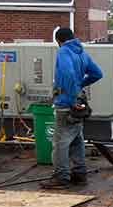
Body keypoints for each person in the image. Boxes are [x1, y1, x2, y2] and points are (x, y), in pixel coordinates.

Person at [41, 27, 103, 189]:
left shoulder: (63, 52)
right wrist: (80, 85)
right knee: (76, 139)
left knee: (60, 142)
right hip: (78, 101)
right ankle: (80, 173)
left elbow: (68, 73)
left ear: (59, 41)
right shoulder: (81, 52)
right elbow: (97, 73)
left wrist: (71, 97)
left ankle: (61, 176)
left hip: (66, 103)